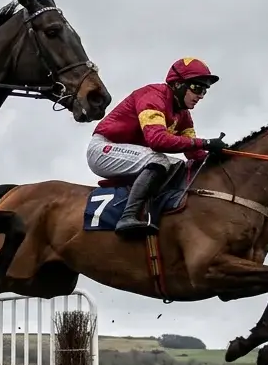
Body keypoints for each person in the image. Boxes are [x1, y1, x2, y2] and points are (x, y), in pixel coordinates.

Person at [86, 58, 228, 237]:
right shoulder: (153, 97)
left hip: (131, 154)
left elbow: (193, 153)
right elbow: (157, 141)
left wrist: (222, 156)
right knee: (158, 160)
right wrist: (206, 142)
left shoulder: (183, 115)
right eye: (197, 88)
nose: (200, 96)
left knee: (178, 165)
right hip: (103, 149)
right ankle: (127, 217)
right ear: (177, 85)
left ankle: (152, 210)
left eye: (204, 91)